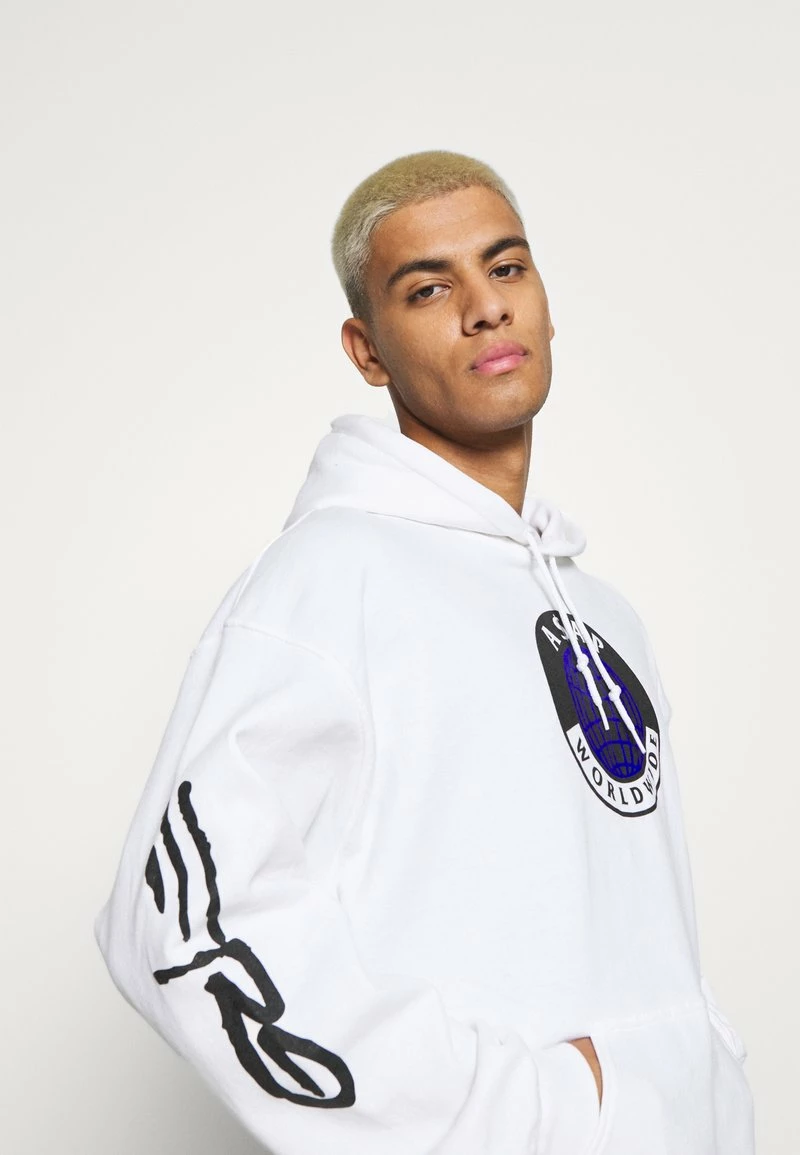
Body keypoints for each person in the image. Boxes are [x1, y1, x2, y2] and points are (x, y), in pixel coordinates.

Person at [95, 149, 755, 1154]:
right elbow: (179, 926)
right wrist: (527, 1111)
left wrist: (699, 1076)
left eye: (506, 267)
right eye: (428, 288)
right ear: (367, 352)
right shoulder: (326, 581)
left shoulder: (603, 612)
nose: (485, 308)